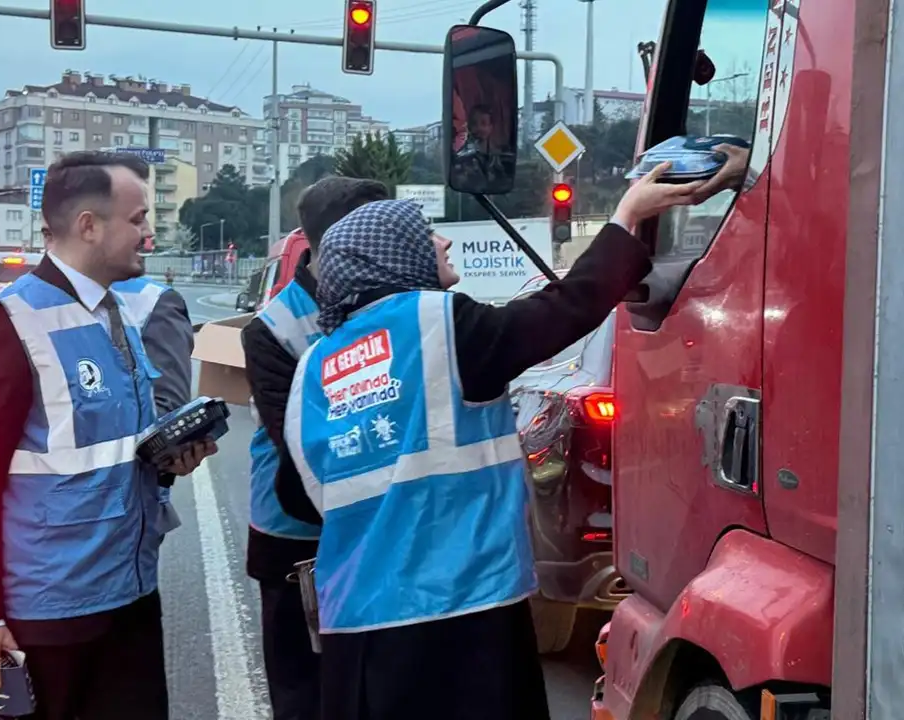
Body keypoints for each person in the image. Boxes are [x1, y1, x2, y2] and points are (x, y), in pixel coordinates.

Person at [281, 162, 701, 720]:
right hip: (463, 618)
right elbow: (565, 309)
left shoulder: (314, 365)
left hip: (355, 628)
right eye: (423, 233)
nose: (443, 239)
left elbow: (299, 495)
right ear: (392, 256)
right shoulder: (443, 324)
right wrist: (628, 215)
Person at [0, 150, 216, 719]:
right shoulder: (11, 322)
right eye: (138, 219)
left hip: (130, 593)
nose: (149, 233)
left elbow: (110, 447)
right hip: (49, 612)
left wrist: (168, 458)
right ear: (89, 226)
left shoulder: (116, 312)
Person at [240, 175, 390, 720]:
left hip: (376, 529)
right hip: (295, 537)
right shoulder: (273, 329)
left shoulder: (391, 302)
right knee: (304, 688)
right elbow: (299, 447)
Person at [113, 270, 196, 538]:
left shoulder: (153, 300)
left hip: (125, 513)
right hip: (36, 524)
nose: (146, 236)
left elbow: (168, 412)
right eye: (134, 223)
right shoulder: (19, 303)